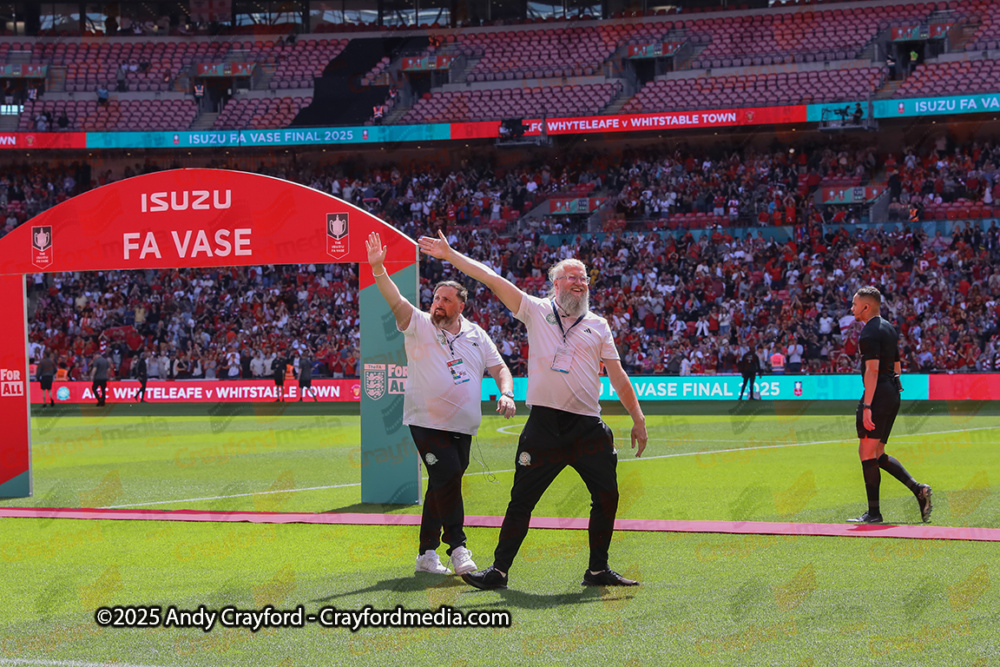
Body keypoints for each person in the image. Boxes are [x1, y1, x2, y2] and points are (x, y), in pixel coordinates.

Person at [418, 230, 648, 590]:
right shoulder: (536, 310)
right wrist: (450, 256)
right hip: (544, 427)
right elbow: (491, 278)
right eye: (572, 277)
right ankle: (499, 571)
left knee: (607, 497)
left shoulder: (598, 325)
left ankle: (598, 570)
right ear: (555, 283)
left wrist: (638, 418)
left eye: (584, 278)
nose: (580, 283)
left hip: (588, 427)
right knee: (521, 500)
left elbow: (617, 375)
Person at [366, 232, 516, 578]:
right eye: (436, 297)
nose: (438, 303)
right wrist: (378, 270)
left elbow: (499, 368)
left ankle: (426, 554)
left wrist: (506, 392)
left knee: (440, 484)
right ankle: (458, 548)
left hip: (463, 426)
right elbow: (396, 300)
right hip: (426, 421)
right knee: (447, 475)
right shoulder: (418, 323)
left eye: (446, 299)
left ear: (461, 305)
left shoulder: (477, 335)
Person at [847, 286, 932, 524]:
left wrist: (867, 406)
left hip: (879, 394)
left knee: (866, 452)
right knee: (878, 453)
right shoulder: (888, 328)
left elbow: (872, 371)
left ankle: (874, 514)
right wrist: (895, 390)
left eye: (854, 304)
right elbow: (896, 364)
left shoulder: (868, 333)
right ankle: (919, 490)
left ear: (866, 307)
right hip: (892, 391)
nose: (851, 308)